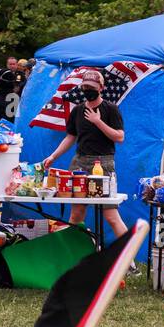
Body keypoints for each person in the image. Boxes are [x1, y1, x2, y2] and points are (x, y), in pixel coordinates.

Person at [40, 68, 128, 240]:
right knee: (76, 214)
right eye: (85, 87)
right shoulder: (78, 110)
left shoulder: (110, 109)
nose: (88, 90)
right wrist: (53, 156)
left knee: (110, 215)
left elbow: (120, 137)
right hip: (79, 163)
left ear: (101, 87)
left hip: (102, 164)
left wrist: (98, 122)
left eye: (92, 87)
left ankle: (129, 256)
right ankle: (75, 254)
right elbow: (70, 137)